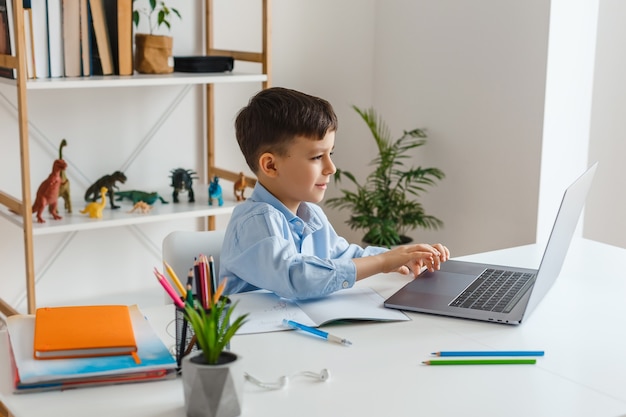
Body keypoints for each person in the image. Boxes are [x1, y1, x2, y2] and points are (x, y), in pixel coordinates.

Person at [219, 87, 450, 300]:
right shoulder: (254, 222)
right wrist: (382, 262)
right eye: (317, 157)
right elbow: (296, 277)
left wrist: (405, 256)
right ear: (271, 166)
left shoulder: (312, 216)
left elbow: (347, 256)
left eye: (331, 154)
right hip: (250, 341)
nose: (332, 168)